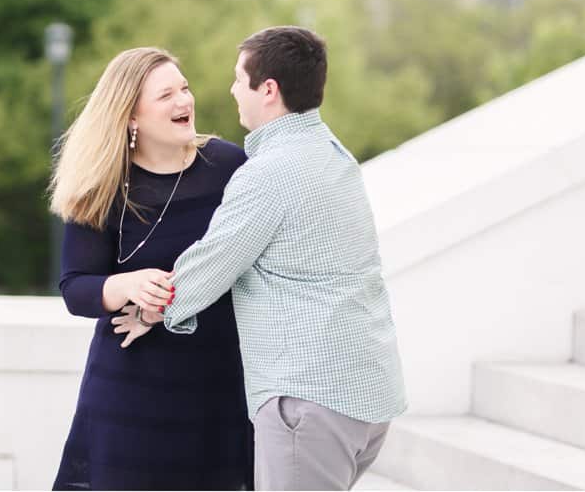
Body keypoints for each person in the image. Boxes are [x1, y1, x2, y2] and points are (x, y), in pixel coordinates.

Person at [116, 27, 407, 491]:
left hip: (310, 399)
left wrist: (154, 306)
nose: (231, 90)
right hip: (367, 394)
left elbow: (214, 260)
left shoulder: (270, 174)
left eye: (238, 79)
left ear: (268, 90)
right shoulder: (334, 156)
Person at [49, 47, 253, 491]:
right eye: (167, 96)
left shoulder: (229, 166)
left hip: (216, 389)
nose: (185, 102)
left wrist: (170, 301)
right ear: (131, 117)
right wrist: (128, 284)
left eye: (185, 88)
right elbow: (75, 289)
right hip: (129, 396)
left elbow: (250, 266)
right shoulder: (99, 187)